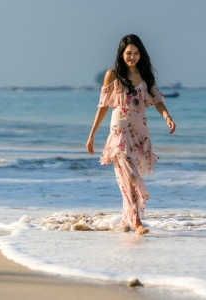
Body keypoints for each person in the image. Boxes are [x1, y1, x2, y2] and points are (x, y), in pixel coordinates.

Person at [86, 34, 176, 235]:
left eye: (136, 53)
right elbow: (102, 106)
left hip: (140, 133)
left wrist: (167, 117)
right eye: (128, 53)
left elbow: (158, 101)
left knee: (128, 179)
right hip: (119, 132)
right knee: (131, 176)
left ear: (141, 55)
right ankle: (137, 223)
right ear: (121, 53)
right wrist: (91, 135)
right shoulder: (113, 75)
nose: (132, 57)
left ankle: (128, 221)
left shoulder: (145, 76)